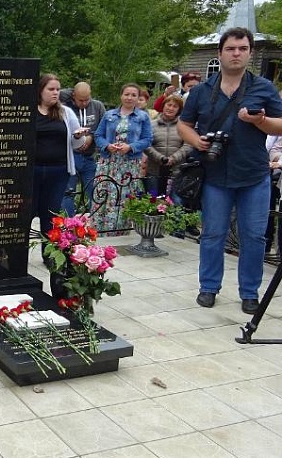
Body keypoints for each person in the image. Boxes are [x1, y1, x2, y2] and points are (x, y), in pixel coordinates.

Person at [178, 27, 282, 314]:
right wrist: (195, 140)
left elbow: (280, 123)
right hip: (215, 174)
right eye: (231, 48)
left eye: (242, 48)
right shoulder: (201, 91)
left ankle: (250, 292)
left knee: (253, 236)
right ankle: (209, 287)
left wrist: (259, 121)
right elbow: (184, 124)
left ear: (249, 52)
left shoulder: (263, 88)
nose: (236, 53)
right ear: (220, 53)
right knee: (213, 233)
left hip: (253, 174)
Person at [33, 74, 86, 255]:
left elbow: (78, 144)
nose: (56, 93)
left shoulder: (65, 113)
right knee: (29, 211)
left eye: (58, 89)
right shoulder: (28, 112)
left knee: (51, 214)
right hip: (33, 170)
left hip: (58, 171)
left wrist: (79, 136)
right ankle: (19, 256)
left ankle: (49, 254)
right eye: (51, 89)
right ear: (40, 91)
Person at [91, 83, 153, 234]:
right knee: (103, 195)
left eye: (133, 95)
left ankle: (120, 232)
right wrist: (107, 145)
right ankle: (98, 230)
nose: (129, 98)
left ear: (139, 98)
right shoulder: (109, 115)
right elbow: (98, 135)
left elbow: (148, 139)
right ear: (121, 96)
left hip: (129, 165)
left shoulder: (142, 117)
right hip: (108, 163)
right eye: (126, 94)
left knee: (123, 197)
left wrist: (131, 147)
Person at [62, 82, 106, 216]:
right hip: (70, 156)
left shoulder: (98, 106)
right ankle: (68, 224)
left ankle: (96, 221)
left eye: (87, 99)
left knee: (94, 191)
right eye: (80, 100)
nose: (84, 103)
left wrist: (91, 137)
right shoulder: (65, 107)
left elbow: (103, 127)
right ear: (73, 95)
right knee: (68, 192)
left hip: (89, 157)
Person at [143, 94, 192, 196]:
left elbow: (188, 145)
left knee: (174, 203)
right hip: (154, 170)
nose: (171, 108)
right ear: (163, 106)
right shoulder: (151, 125)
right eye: (169, 105)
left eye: (175, 106)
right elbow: (145, 144)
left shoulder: (184, 126)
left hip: (176, 171)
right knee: (152, 200)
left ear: (179, 110)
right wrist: (160, 158)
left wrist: (173, 158)